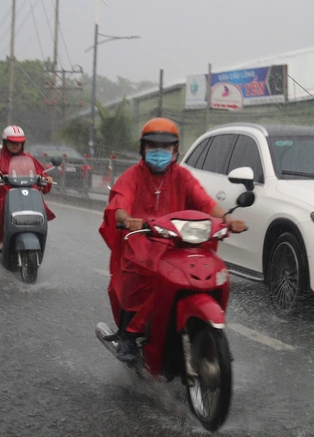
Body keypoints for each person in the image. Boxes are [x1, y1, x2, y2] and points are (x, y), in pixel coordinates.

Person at [98, 117, 247, 362]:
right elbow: (120, 205)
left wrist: (227, 219)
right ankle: (129, 336)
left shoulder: (182, 176)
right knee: (136, 275)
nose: (159, 152)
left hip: (177, 241)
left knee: (207, 269)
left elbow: (204, 202)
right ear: (143, 148)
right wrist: (129, 219)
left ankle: (203, 328)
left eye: (165, 147)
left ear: (175, 149)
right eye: (153, 146)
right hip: (143, 239)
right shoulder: (132, 176)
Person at [0, 125, 55, 253]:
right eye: (11, 142)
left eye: (18, 143)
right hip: (5, 197)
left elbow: (42, 176)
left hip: (27, 195)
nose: (14, 145)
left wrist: (46, 179)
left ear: (22, 144)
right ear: (5, 143)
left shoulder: (30, 159)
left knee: (40, 208)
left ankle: (38, 234)